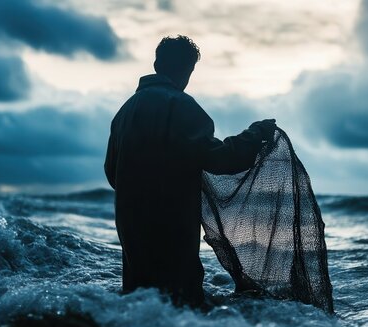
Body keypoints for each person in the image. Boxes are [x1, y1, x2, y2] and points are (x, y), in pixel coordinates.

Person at [104, 35, 276, 307]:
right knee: (181, 299)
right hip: (171, 222)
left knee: (140, 298)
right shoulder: (183, 107)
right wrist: (254, 135)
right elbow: (218, 160)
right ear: (188, 70)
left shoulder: (125, 111)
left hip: (130, 220)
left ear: (157, 63)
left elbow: (111, 172)